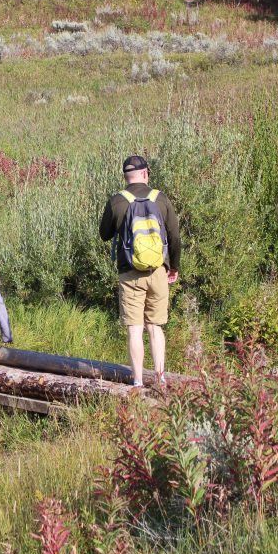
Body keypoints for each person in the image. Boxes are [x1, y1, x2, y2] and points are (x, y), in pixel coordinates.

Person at [99, 155, 181, 387]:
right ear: (145, 174)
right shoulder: (160, 199)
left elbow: (104, 235)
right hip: (158, 272)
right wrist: (173, 267)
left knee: (135, 329)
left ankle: (137, 382)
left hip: (130, 273)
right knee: (155, 327)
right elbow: (174, 237)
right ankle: (160, 377)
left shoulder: (117, 201)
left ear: (126, 177)